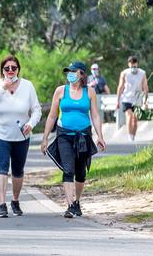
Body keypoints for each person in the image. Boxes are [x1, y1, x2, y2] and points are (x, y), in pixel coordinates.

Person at [40, 61, 106, 218]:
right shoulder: (61, 91)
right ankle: (69, 205)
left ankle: (77, 201)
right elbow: (52, 115)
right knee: (68, 170)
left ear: (81, 74)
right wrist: (45, 138)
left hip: (83, 135)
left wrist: (100, 136)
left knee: (81, 173)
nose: (69, 73)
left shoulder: (89, 92)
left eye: (73, 71)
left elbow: (95, 115)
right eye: (68, 71)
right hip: (64, 135)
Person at [0, 55, 42, 218]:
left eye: (13, 68)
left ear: (18, 69)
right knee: (2, 166)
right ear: (2, 70)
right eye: (6, 68)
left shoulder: (27, 86)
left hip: (21, 135)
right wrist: (2, 88)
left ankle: (15, 200)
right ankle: (2, 204)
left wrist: (31, 123)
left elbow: (37, 109)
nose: (10, 71)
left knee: (17, 170)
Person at [116, 56, 149, 141]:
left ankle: (133, 136)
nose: (133, 67)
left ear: (137, 64)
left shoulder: (142, 73)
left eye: (135, 65)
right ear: (128, 64)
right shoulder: (124, 73)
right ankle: (129, 137)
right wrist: (117, 100)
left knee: (135, 119)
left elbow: (145, 86)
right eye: (131, 65)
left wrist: (145, 100)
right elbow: (120, 86)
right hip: (126, 98)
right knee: (129, 116)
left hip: (137, 99)